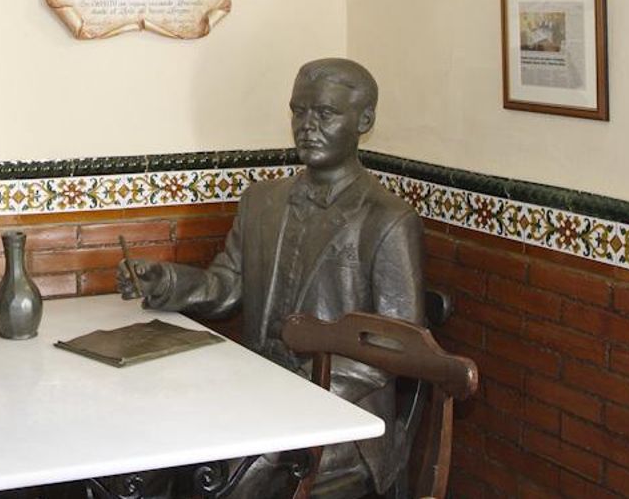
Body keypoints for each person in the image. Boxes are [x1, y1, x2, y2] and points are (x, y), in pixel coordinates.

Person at [119, 58, 423, 498]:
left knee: (226, 475)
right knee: (148, 444)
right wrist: (164, 282)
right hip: (254, 395)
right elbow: (226, 286)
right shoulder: (262, 202)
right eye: (298, 111)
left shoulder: (388, 221)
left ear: (365, 120)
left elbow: (397, 345)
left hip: (341, 419)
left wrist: (301, 390)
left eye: (325, 113)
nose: (307, 126)